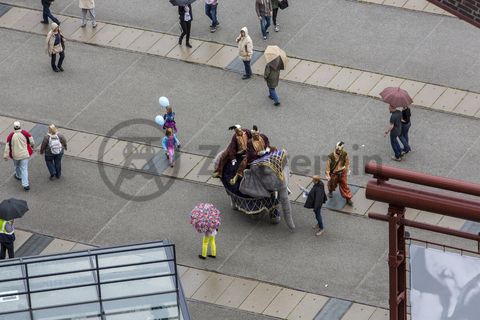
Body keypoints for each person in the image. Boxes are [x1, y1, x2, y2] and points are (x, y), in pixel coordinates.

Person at [3, 121, 35, 191]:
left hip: (15, 155)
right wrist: (32, 146)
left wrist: (6, 156)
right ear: (20, 126)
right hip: (25, 154)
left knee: (17, 166)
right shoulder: (25, 133)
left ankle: (18, 176)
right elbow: (31, 140)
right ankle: (25, 184)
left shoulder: (11, 135)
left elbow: (7, 146)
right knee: (24, 169)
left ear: (14, 127)